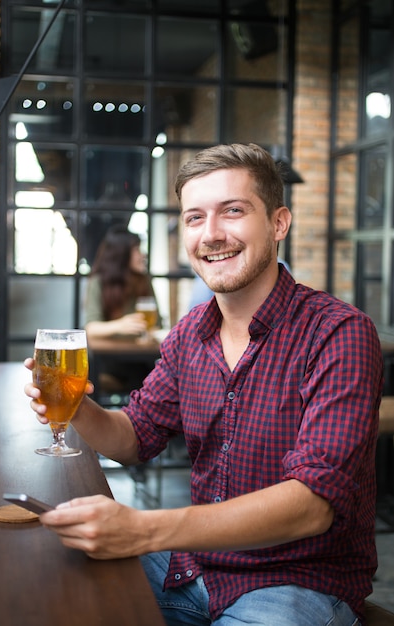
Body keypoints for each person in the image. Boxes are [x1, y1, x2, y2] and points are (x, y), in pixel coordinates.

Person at [25, 143, 383, 626]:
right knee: (47, 591)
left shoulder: (338, 332)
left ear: (279, 223)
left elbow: (312, 506)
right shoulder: (190, 332)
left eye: (232, 211)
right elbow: (135, 437)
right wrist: (77, 406)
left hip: (294, 583)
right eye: (195, 218)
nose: (211, 234)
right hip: (195, 568)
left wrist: (145, 529)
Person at [84, 225, 159, 393]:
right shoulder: (99, 282)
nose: (142, 255)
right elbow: (90, 328)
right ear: (122, 255)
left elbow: (157, 324)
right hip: (110, 363)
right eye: (137, 250)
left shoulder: (144, 280)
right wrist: (121, 325)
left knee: (153, 376)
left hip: (142, 359)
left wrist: (149, 333)